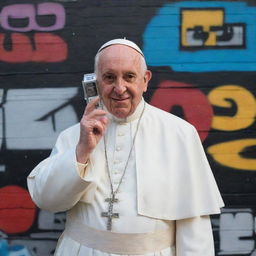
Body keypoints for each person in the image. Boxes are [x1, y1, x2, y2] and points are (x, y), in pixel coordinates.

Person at [27, 38, 224, 255]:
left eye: (129, 76)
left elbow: (194, 226)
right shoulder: (74, 135)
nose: (119, 88)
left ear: (145, 80)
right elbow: (48, 200)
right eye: (109, 77)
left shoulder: (180, 134)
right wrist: (82, 150)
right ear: (96, 82)